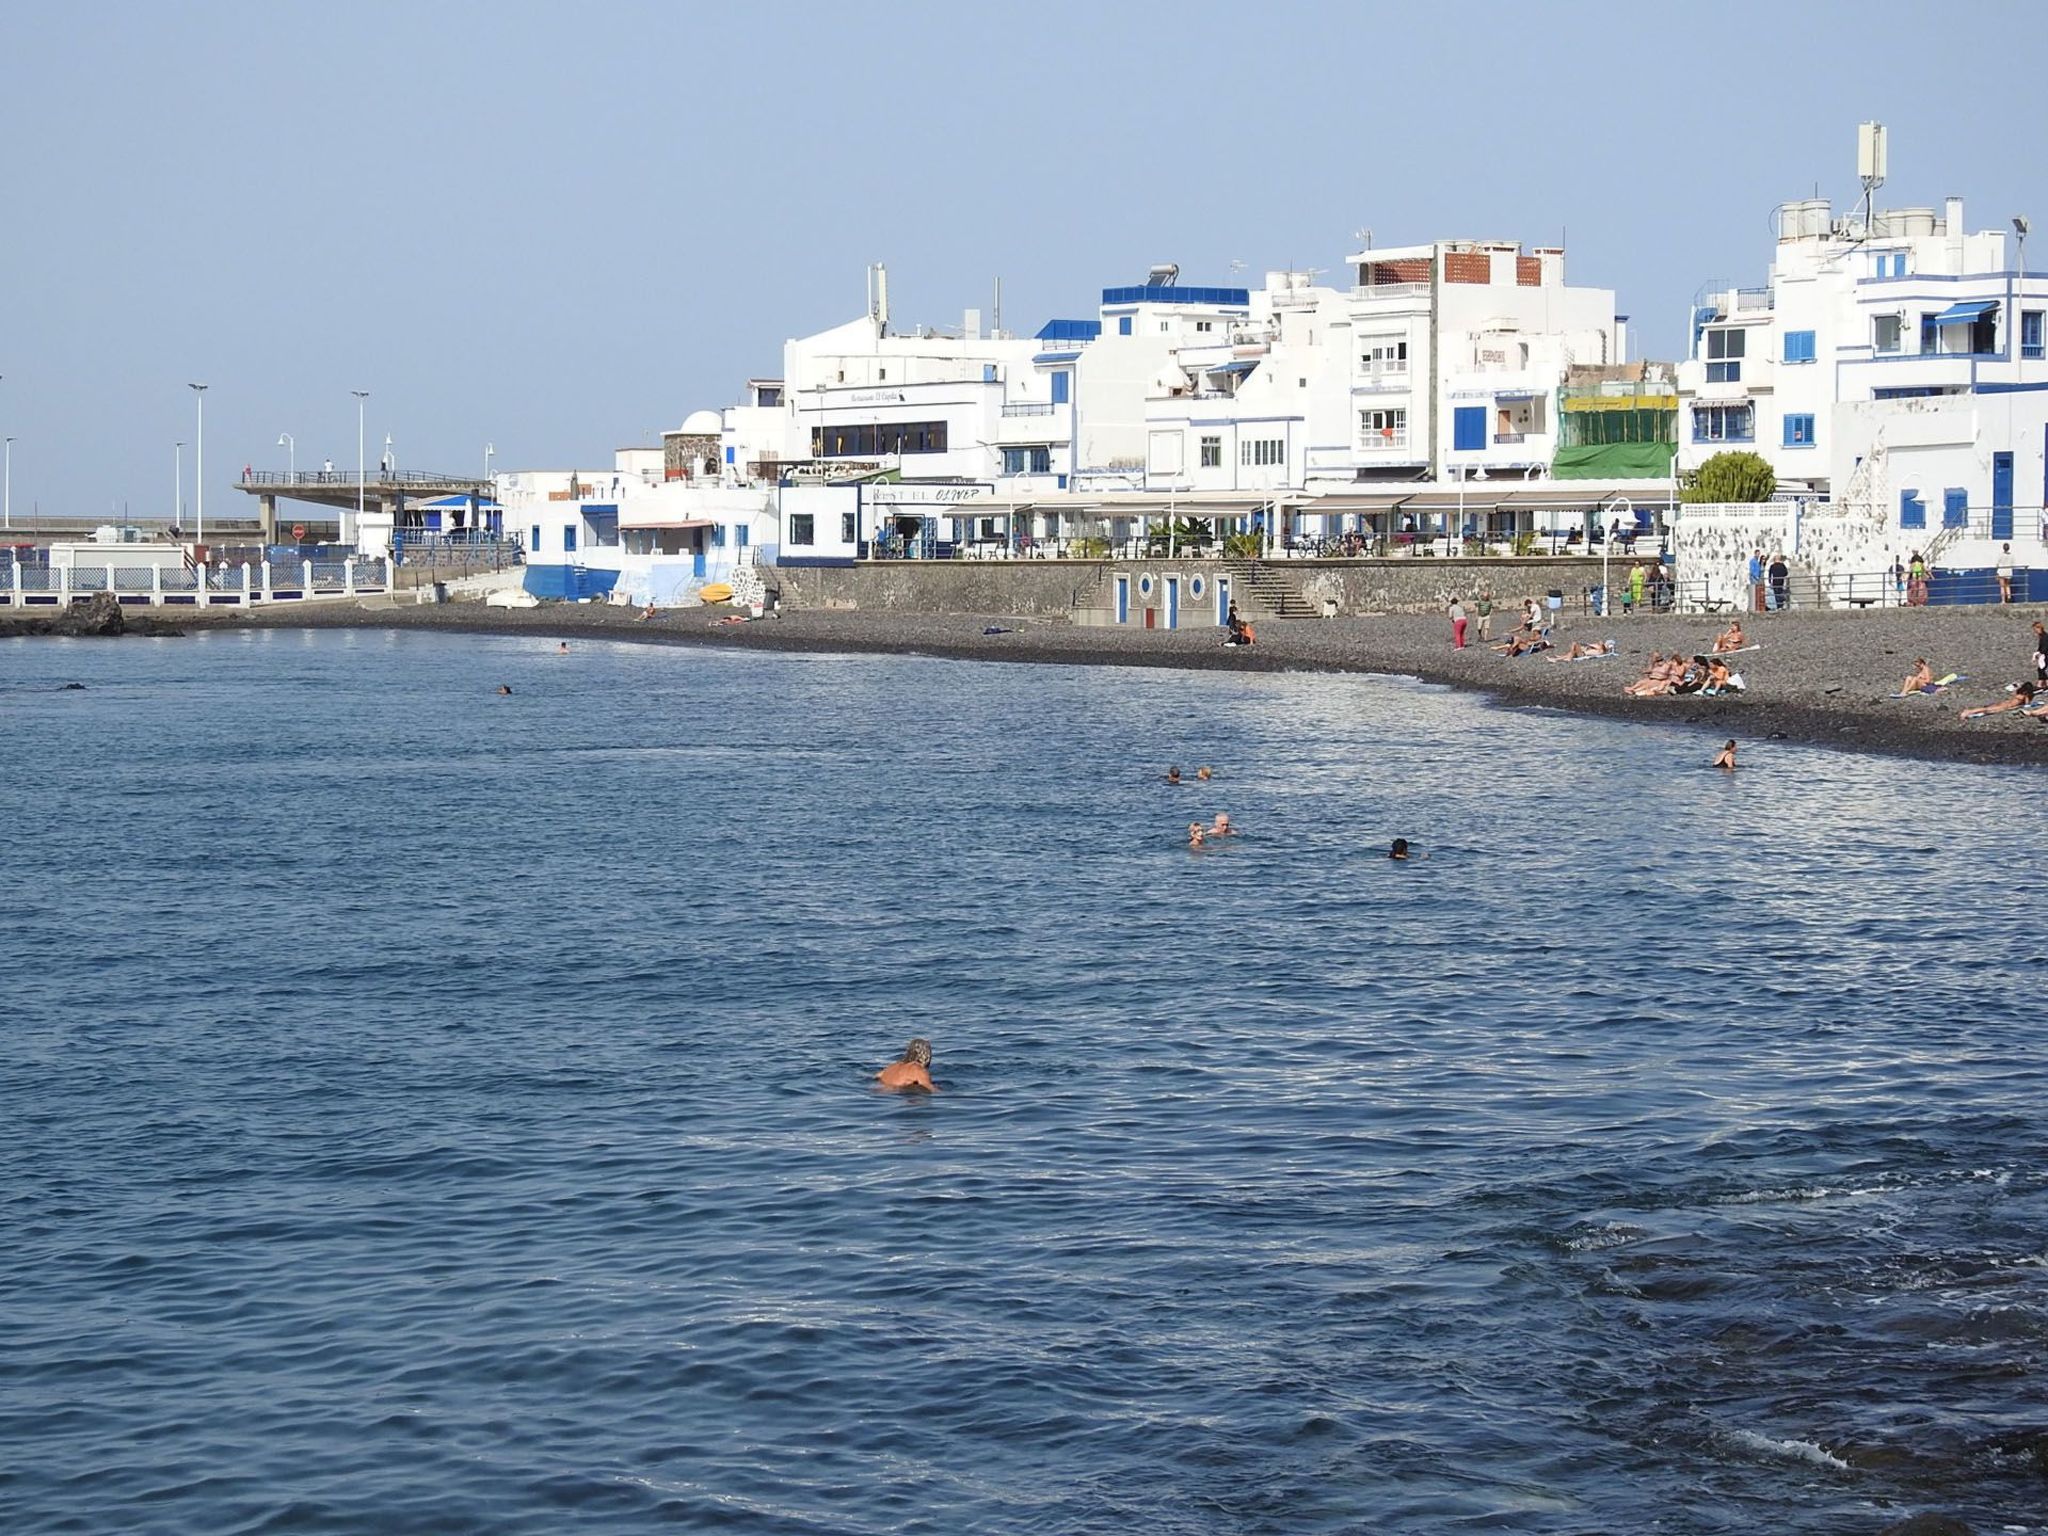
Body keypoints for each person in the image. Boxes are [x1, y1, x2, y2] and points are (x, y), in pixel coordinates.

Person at [1960, 682, 2040, 721]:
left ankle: (1969, 712)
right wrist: (2028, 696)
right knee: (1987, 710)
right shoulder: (2023, 696)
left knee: (1987, 709)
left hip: (2004, 703)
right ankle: (1968, 712)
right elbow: (2027, 704)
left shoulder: (2017, 693)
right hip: (2005, 706)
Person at [1547, 639, 1615, 662]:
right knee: (1574, 648)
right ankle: (1562, 657)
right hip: (1584, 652)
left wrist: (1588, 645)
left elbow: (1598, 646)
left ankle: (1558, 659)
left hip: (1583, 654)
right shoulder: (1602, 649)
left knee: (1574, 646)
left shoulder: (1601, 649)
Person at [1747, 549, 1766, 614]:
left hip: (1757, 578)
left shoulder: (1757, 562)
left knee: (1757, 592)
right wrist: (1755, 576)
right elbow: (1752, 570)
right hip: (1754, 578)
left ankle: (1757, 606)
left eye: (1759, 554)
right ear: (1755, 554)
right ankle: (1754, 606)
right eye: (1757, 554)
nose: (1758, 555)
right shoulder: (1752, 561)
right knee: (1754, 592)